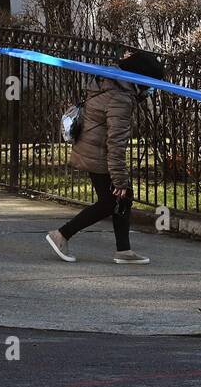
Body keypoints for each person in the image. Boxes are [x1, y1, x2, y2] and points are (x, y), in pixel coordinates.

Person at [45, 49, 162, 264]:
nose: (151, 91)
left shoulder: (108, 82)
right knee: (110, 200)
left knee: (123, 197)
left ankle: (124, 251)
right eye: (152, 85)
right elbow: (116, 142)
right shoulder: (121, 98)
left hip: (90, 147)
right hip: (98, 153)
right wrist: (119, 178)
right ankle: (60, 235)